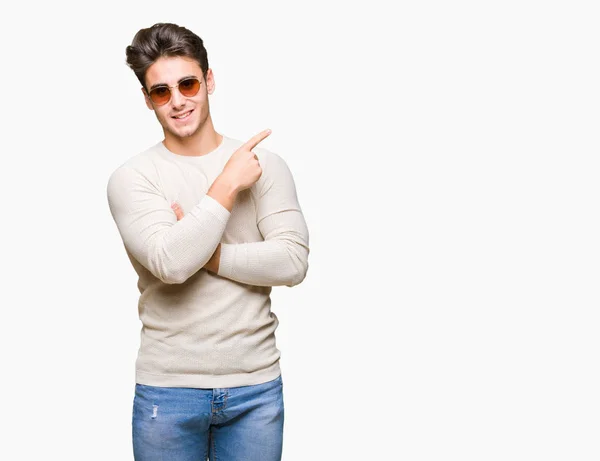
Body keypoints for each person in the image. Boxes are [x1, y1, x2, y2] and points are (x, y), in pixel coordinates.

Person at [106, 22, 309, 461]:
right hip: (169, 389)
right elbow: (171, 263)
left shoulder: (264, 165)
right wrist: (227, 184)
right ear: (147, 100)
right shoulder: (133, 177)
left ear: (209, 80)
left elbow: (292, 261)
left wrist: (204, 250)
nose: (178, 100)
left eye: (188, 83)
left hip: (254, 387)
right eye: (161, 92)